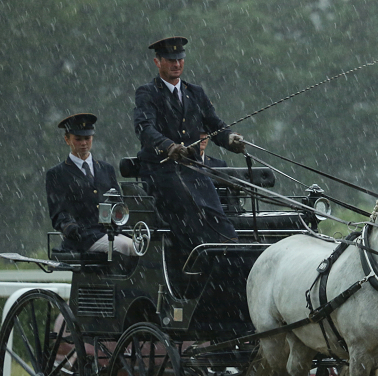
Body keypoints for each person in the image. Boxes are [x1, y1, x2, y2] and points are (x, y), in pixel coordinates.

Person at [133, 36, 246, 253]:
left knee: (214, 210)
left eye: (180, 59)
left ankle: (232, 251)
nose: (176, 64)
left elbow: (214, 124)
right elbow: (144, 128)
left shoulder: (195, 92)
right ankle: (200, 257)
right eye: (170, 60)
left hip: (193, 169)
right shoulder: (147, 93)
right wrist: (169, 146)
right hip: (161, 171)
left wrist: (230, 138)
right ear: (158, 62)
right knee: (192, 208)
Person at [46, 113, 137, 256]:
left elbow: (118, 203)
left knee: (141, 245)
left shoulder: (106, 169)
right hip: (82, 237)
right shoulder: (57, 174)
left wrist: (120, 222)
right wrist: (70, 227)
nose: (83, 143)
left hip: (111, 232)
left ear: (92, 138)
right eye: (78, 139)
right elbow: (58, 212)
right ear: (67, 139)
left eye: (87, 138)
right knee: (125, 247)